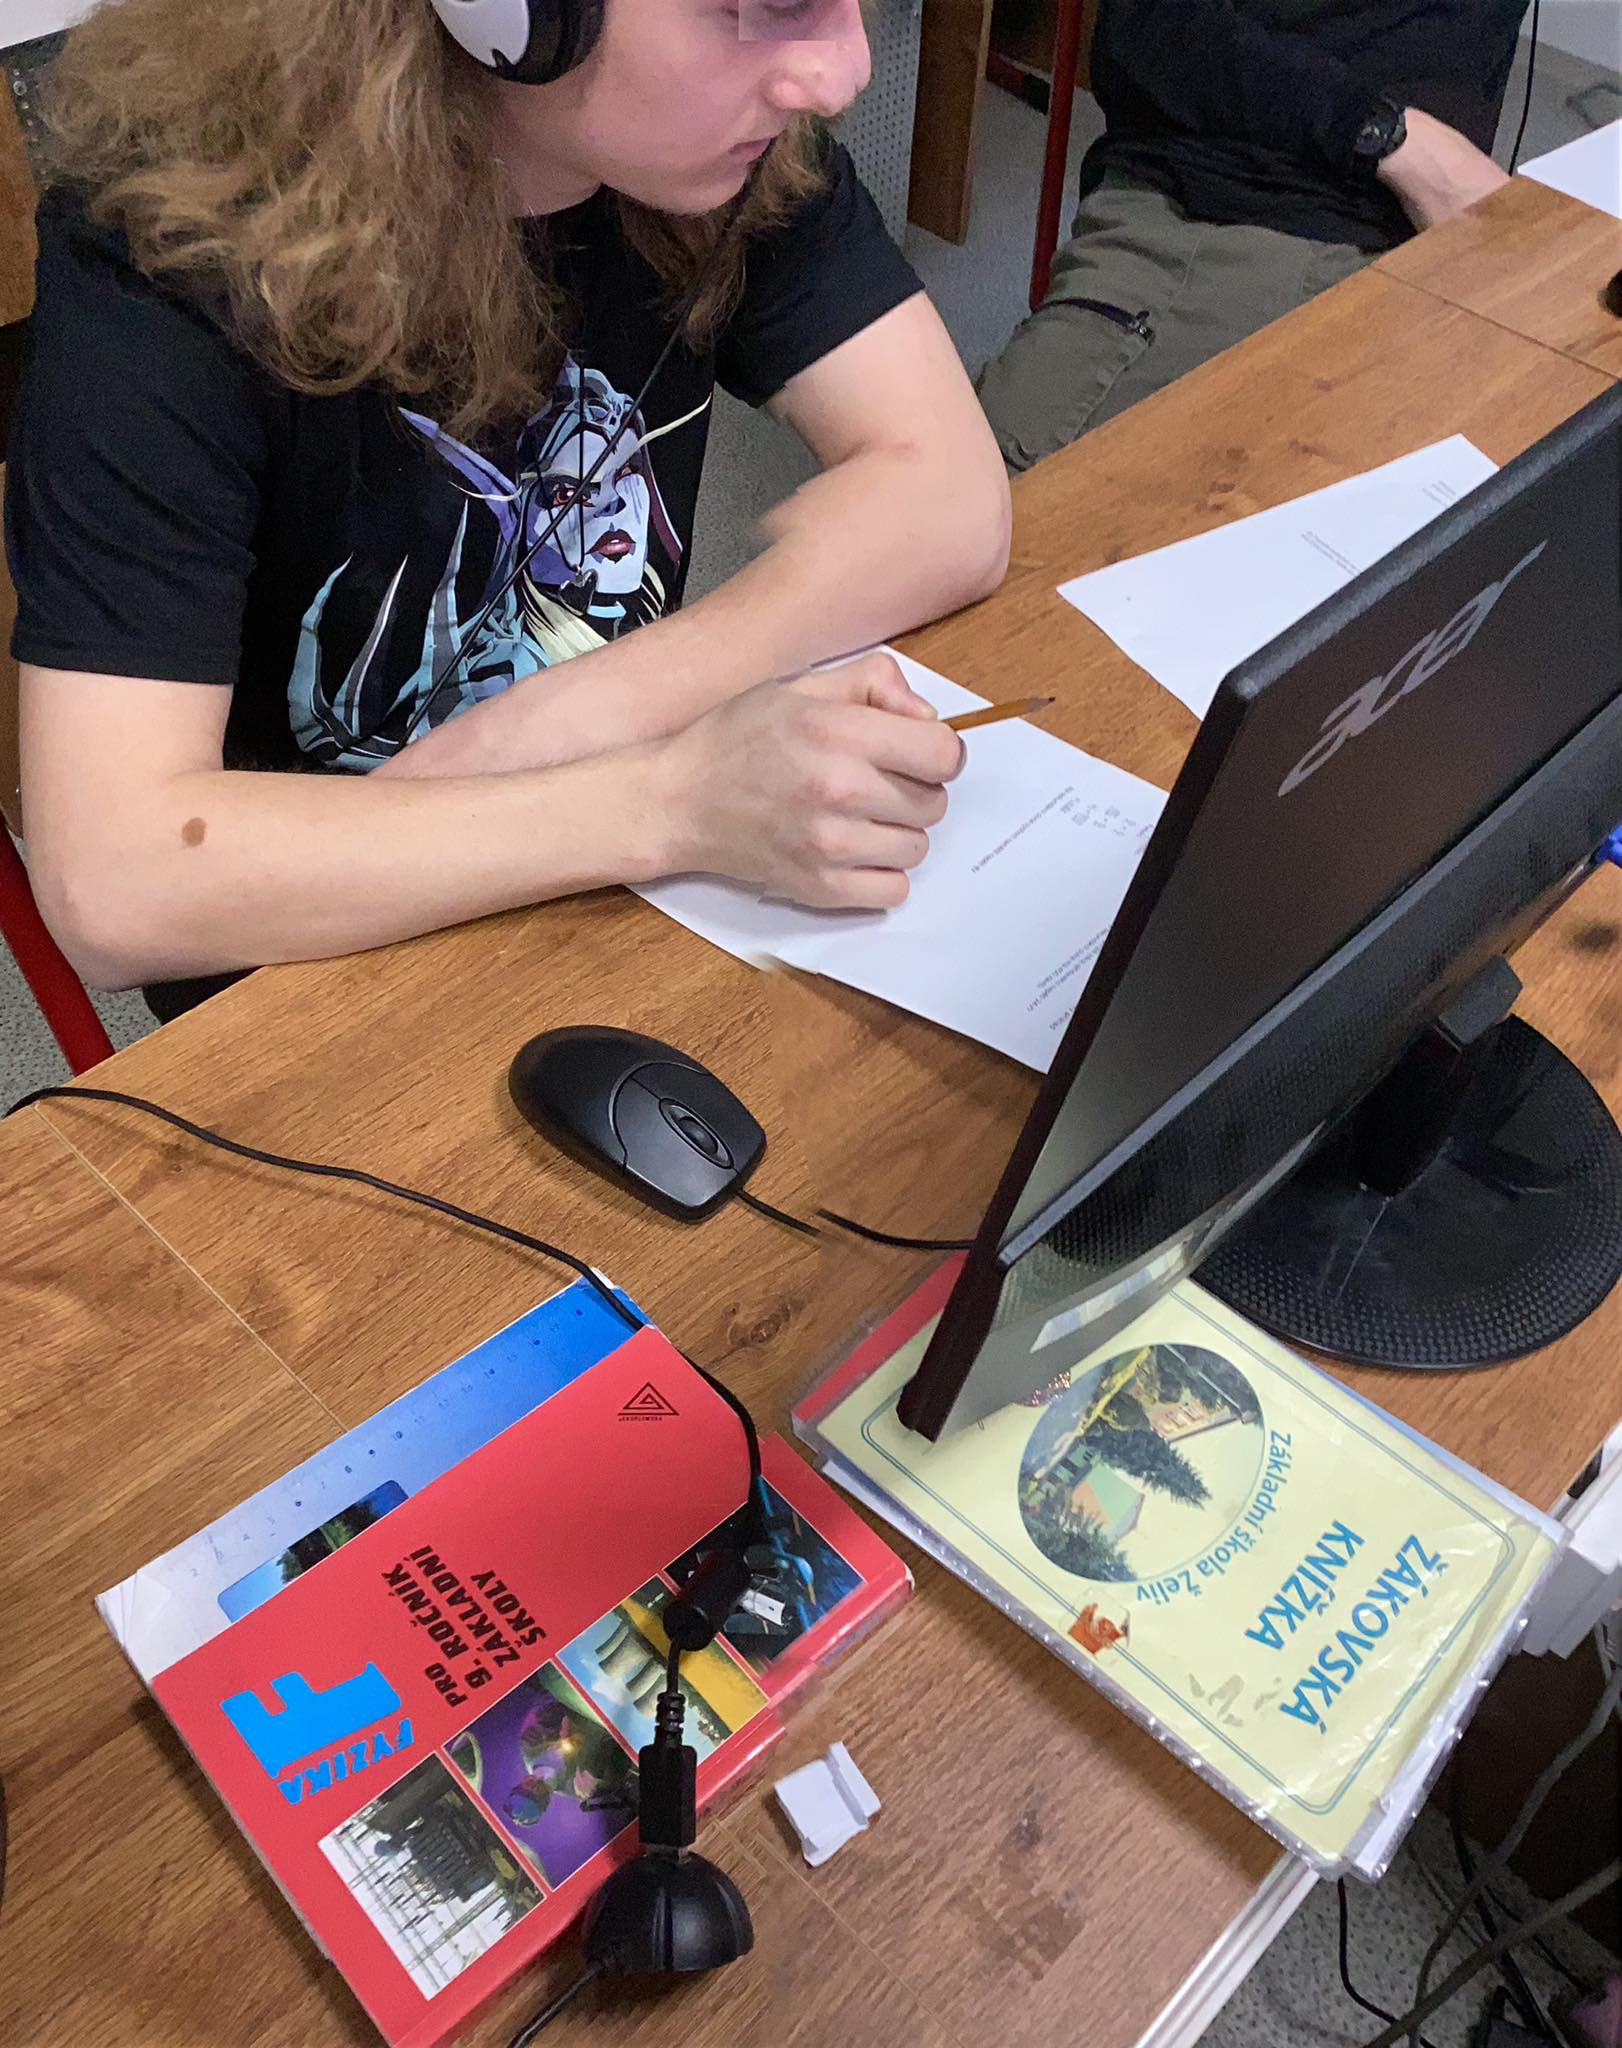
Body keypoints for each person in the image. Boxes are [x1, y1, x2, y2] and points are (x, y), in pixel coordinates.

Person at [6, 0, 1011, 1019]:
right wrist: (665, 799)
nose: (840, 73)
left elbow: (952, 495)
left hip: (604, 880)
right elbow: (117, 882)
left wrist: (561, 724)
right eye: (760, 6)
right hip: (317, 974)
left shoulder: (728, 152)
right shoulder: (171, 255)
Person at [976, 0, 1528, 472]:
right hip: (1232, 222)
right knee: (985, 527)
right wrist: (1393, 139)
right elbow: (1146, 28)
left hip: (1429, 247)